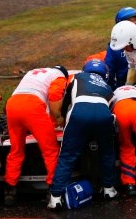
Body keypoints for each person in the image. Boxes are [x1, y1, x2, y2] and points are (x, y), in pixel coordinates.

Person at [47, 60, 118, 210]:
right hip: (104, 114)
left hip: (79, 112)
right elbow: (111, 109)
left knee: (67, 156)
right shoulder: (108, 86)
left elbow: (66, 102)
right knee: (107, 152)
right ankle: (109, 189)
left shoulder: (78, 77)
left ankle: (55, 198)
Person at [3, 66, 69, 206]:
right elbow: (55, 96)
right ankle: (53, 190)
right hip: (32, 106)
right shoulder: (60, 76)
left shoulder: (34, 72)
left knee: (16, 150)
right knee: (51, 150)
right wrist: (58, 119)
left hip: (12, 104)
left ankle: (9, 190)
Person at [104, 7, 136, 89]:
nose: (134, 24)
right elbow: (109, 70)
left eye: (135, 20)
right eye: (129, 21)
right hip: (122, 86)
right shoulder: (115, 46)